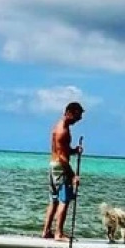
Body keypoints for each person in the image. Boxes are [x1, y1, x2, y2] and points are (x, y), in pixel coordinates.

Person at [42, 101, 85, 240]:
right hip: (60, 168)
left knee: (53, 201)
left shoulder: (57, 127)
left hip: (52, 166)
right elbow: (62, 157)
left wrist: (74, 150)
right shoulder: (63, 131)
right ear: (68, 113)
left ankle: (46, 231)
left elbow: (62, 151)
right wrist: (73, 176)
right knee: (64, 201)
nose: (77, 120)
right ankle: (58, 233)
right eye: (76, 117)